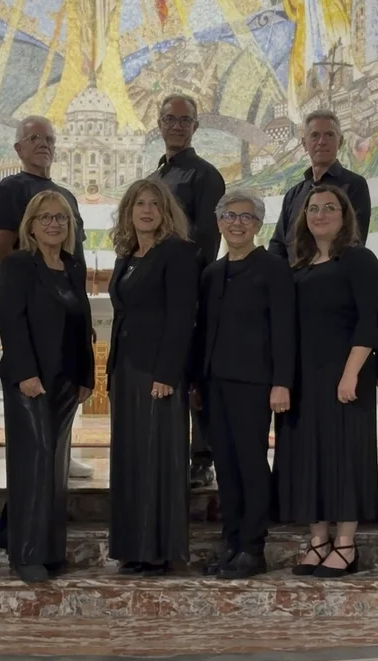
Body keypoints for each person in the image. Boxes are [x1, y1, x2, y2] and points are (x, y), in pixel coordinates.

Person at [275, 185, 378, 579]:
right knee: (308, 457)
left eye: (329, 208)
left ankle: (346, 544)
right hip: (305, 376)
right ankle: (318, 540)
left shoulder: (358, 259)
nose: (320, 214)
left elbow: (372, 318)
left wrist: (352, 372)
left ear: (345, 215)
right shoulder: (299, 267)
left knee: (344, 455)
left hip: (344, 374)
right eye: (313, 208)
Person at [193, 188, 294, 579]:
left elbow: (285, 330)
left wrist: (281, 382)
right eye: (230, 216)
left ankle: (253, 547)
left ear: (257, 225)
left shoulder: (272, 268)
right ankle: (232, 543)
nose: (237, 223)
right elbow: (203, 331)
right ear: (219, 222)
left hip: (254, 383)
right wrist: (197, 382)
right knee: (226, 467)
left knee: (251, 465)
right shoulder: (211, 273)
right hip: (214, 384)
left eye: (246, 217)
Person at [0, 190, 94, 583]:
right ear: (31, 225)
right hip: (30, 379)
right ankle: (25, 552)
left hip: (67, 380)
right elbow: (11, 321)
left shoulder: (72, 265)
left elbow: (81, 324)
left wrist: (85, 376)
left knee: (53, 467)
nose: (54, 224)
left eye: (61, 218)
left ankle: (49, 548)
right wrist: (25, 373)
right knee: (32, 464)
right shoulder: (18, 264)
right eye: (46, 217)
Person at [0, 115, 94, 480]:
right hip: (34, 303)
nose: (42, 143)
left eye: (48, 138)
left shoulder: (66, 194)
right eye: (33, 137)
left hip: (65, 297)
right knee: (33, 446)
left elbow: (73, 252)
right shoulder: (10, 188)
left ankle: (63, 452)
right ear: (19, 148)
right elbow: (1, 244)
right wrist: (26, 293)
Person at [106, 178, 199, 577]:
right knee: (130, 458)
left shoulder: (176, 252)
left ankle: (159, 549)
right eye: (138, 204)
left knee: (158, 458)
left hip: (156, 372)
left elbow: (182, 317)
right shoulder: (128, 255)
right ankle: (133, 546)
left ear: (166, 213)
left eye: (154, 205)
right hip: (126, 369)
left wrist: (168, 372)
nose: (146, 211)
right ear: (128, 212)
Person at [152, 93, 227, 489]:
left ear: (196, 127)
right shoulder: (155, 179)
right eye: (170, 119)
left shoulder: (205, 176)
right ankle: (167, 449)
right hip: (156, 297)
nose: (177, 125)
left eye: (185, 120)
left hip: (190, 293)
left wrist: (186, 289)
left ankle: (202, 456)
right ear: (159, 125)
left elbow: (206, 241)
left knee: (195, 374)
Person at [268, 110, 371, 258]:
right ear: (304, 143)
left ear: (340, 142)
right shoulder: (293, 194)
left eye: (329, 135)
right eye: (315, 135)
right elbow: (277, 246)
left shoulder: (354, 185)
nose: (322, 141)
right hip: (291, 278)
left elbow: (354, 240)